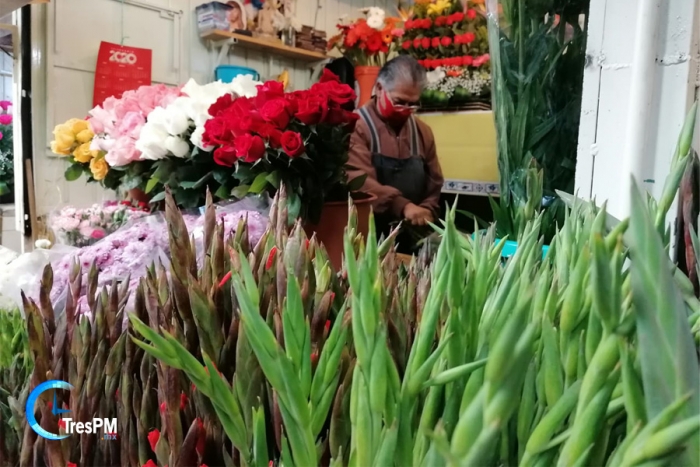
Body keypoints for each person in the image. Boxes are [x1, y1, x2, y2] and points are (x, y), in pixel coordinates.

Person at [348, 55, 444, 250]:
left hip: (413, 235)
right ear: (379, 89)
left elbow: (434, 181)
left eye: (413, 104)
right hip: (369, 235)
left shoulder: (423, 132)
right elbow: (358, 179)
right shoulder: (355, 126)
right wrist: (402, 206)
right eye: (399, 102)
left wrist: (426, 209)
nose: (406, 110)